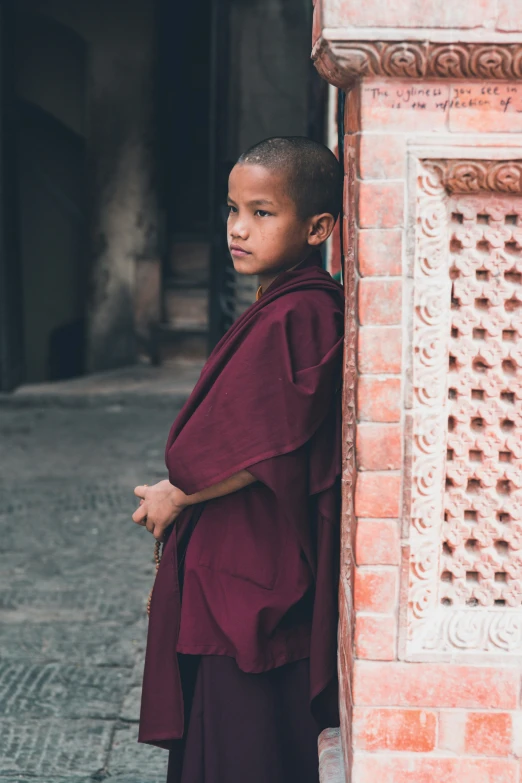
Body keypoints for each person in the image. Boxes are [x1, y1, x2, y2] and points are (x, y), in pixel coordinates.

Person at [133, 136, 344, 783]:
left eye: (261, 212)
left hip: (255, 578)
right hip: (235, 566)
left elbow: (265, 443)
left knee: (243, 743)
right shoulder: (280, 304)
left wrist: (179, 493)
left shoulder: (302, 314)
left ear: (318, 227)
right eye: (232, 209)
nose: (237, 229)